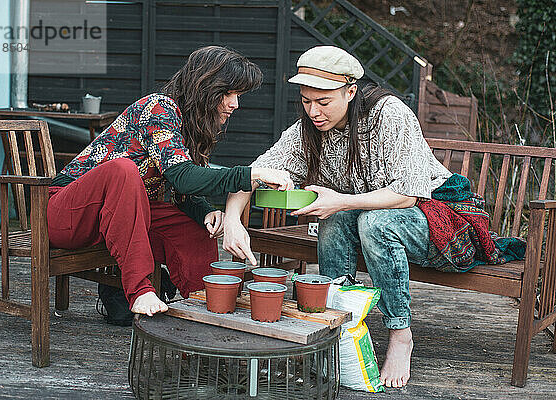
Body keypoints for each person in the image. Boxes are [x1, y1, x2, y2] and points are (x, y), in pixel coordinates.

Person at [222, 45, 453, 388]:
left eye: (323, 102)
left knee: (373, 222)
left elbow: (407, 194)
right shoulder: (307, 131)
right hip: (365, 217)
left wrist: (342, 201)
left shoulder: (389, 115)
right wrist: (232, 220)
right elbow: (255, 172)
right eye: (305, 101)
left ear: (350, 90)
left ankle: (400, 333)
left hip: (432, 215)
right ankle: (333, 326)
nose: (313, 111)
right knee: (335, 218)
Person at [47, 46, 293, 319]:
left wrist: (205, 211)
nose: (236, 104)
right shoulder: (159, 108)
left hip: (121, 215)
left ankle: (207, 306)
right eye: (228, 93)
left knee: (196, 228)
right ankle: (140, 290)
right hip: (66, 214)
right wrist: (251, 174)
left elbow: (180, 188)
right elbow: (183, 177)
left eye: (238, 95)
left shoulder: (192, 124)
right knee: (122, 170)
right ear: (205, 87)